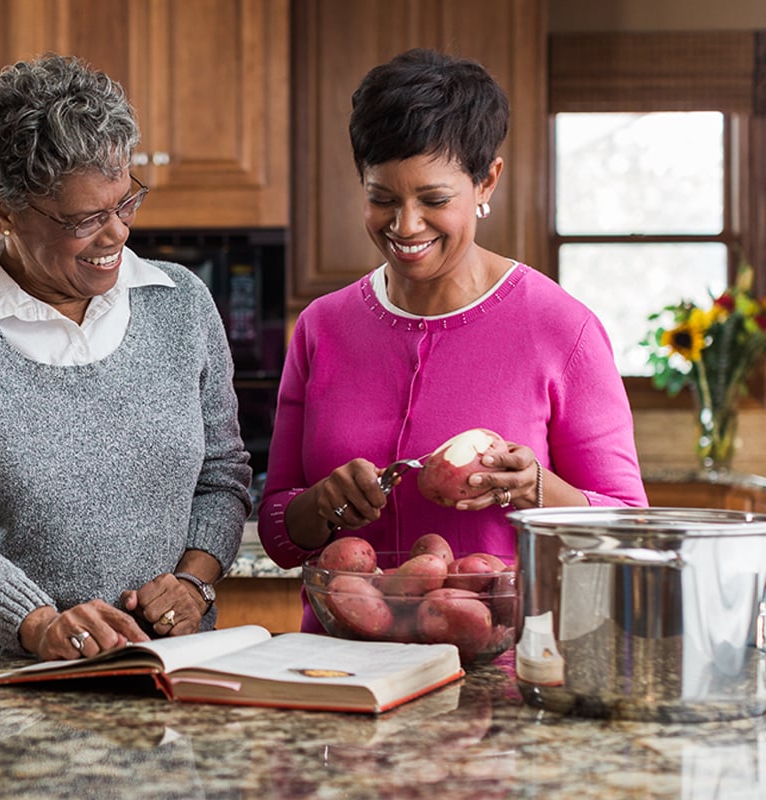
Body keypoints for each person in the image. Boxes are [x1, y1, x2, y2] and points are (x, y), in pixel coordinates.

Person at [0, 53, 252, 753]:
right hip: (5, 677)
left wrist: (194, 580)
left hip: (172, 672)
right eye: (86, 218)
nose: (117, 233)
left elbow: (223, 474)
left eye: (126, 202)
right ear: (2, 209)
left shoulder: (180, 305)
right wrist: (37, 621)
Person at [258, 49, 647, 632]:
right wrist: (322, 503)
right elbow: (279, 534)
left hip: (500, 681)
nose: (405, 226)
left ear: (487, 178)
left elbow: (629, 531)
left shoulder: (563, 330)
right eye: (382, 197)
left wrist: (538, 489)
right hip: (338, 676)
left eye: (434, 200)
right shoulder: (322, 327)